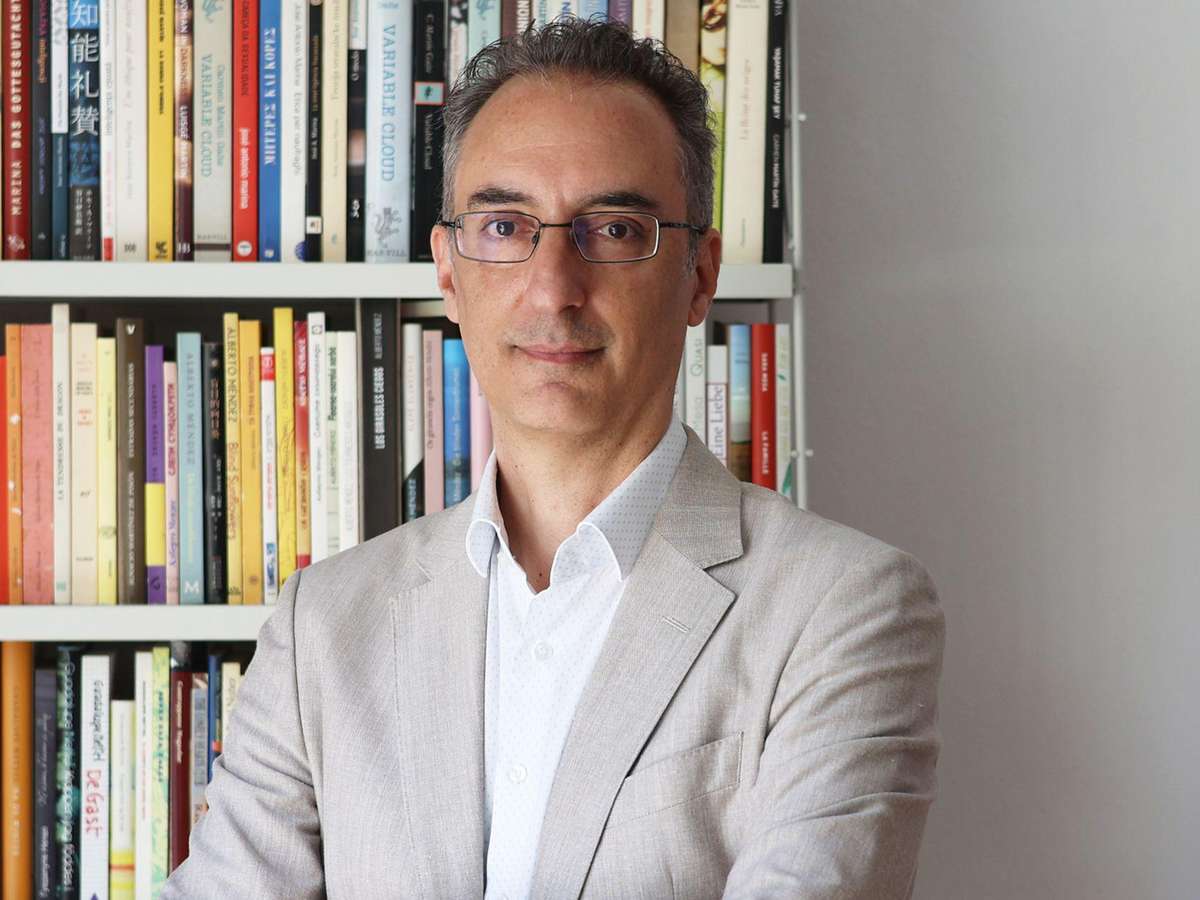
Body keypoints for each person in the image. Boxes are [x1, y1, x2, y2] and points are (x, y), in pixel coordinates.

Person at [164, 18, 944, 900]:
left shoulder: (844, 608)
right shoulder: (324, 623)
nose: (554, 288)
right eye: (505, 226)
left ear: (698, 276)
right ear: (448, 273)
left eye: (613, 229)